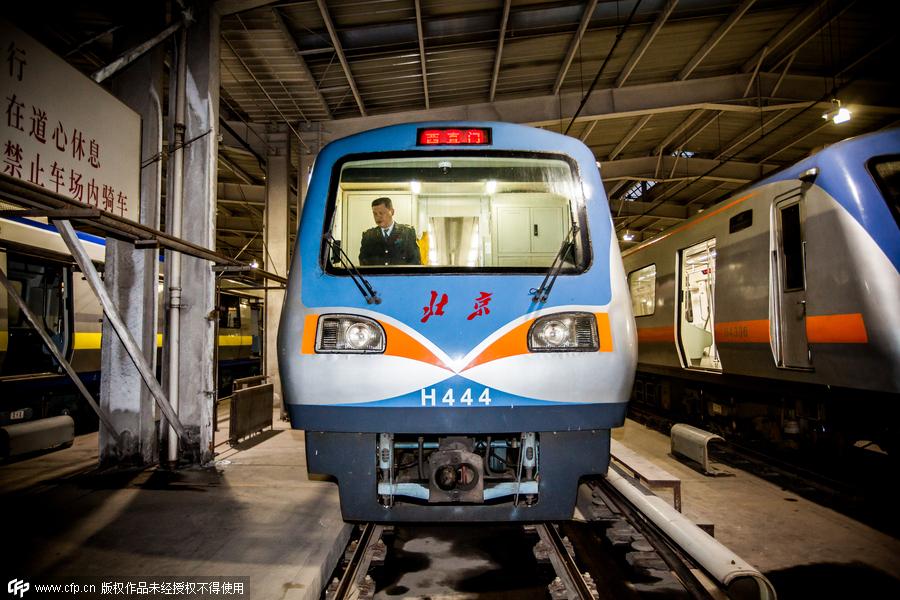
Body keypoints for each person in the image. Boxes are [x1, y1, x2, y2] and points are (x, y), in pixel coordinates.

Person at [359, 197, 421, 266]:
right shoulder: (368, 236)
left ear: (392, 212)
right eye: (375, 214)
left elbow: (415, 261)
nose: (378, 217)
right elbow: (363, 262)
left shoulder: (407, 233)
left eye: (381, 213)